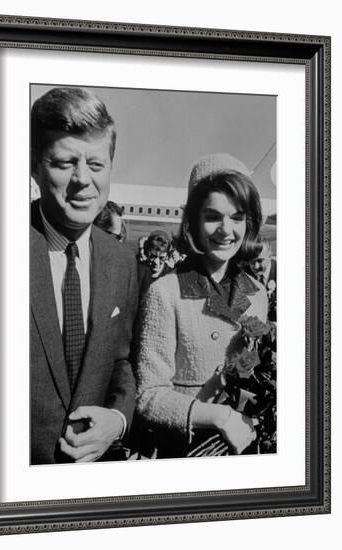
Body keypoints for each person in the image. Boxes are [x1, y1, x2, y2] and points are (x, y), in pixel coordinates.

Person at [30, 87, 139, 464]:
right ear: (33, 165)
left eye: (96, 165)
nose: (82, 180)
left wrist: (118, 418)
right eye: (63, 163)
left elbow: (121, 361)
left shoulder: (122, 261)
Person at [136, 153, 268, 458]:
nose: (226, 230)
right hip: (188, 452)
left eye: (237, 217)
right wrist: (219, 417)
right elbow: (148, 396)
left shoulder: (258, 293)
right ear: (193, 220)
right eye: (212, 216)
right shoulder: (165, 292)